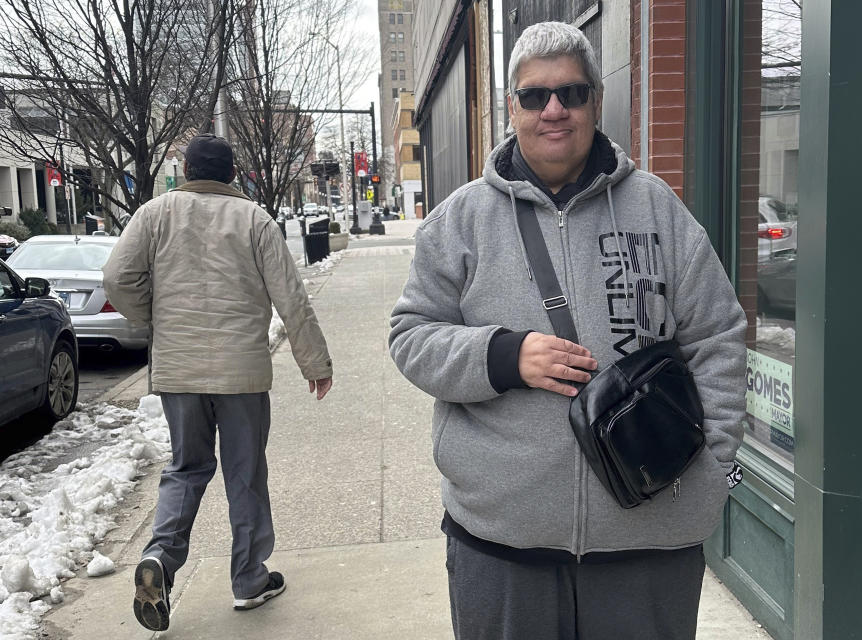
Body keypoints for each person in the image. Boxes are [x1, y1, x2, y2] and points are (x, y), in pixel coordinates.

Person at [389, 21, 746, 640]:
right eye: (535, 95)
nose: (554, 109)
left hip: (649, 541)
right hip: (503, 544)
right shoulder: (462, 220)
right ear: (513, 108)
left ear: (595, 102)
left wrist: (711, 469)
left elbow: (717, 337)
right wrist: (503, 355)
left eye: (572, 93)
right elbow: (410, 335)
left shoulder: (658, 209)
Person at [103, 133, 334, 632]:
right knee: (244, 472)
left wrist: (155, 319)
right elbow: (291, 297)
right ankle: (249, 578)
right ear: (232, 174)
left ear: (187, 170)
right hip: (242, 372)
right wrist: (314, 362)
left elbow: (118, 278)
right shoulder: (255, 219)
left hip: (179, 371)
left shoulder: (153, 214)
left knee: (186, 468)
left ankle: (160, 561)